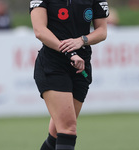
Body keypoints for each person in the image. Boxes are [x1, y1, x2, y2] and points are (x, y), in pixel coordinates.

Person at [29, 0, 109, 149]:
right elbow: (39, 30)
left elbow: (102, 31)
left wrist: (82, 40)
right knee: (68, 129)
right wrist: (69, 52)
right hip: (53, 65)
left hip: (81, 66)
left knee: (56, 133)